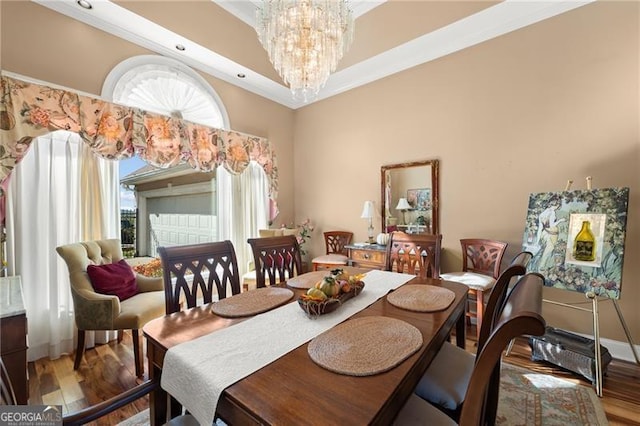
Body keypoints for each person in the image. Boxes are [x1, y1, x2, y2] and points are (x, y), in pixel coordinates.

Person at [534, 196, 566, 270]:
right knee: (547, 253)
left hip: (544, 234)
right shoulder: (552, 213)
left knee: (543, 252)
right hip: (551, 235)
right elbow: (552, 225)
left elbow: (540, 228)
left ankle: (538, 267)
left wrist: (538, 240)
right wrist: (560, 220)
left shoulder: (542, 214)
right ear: (556, 204)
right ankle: (541, 269)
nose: (558, 207)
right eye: (558, 205)